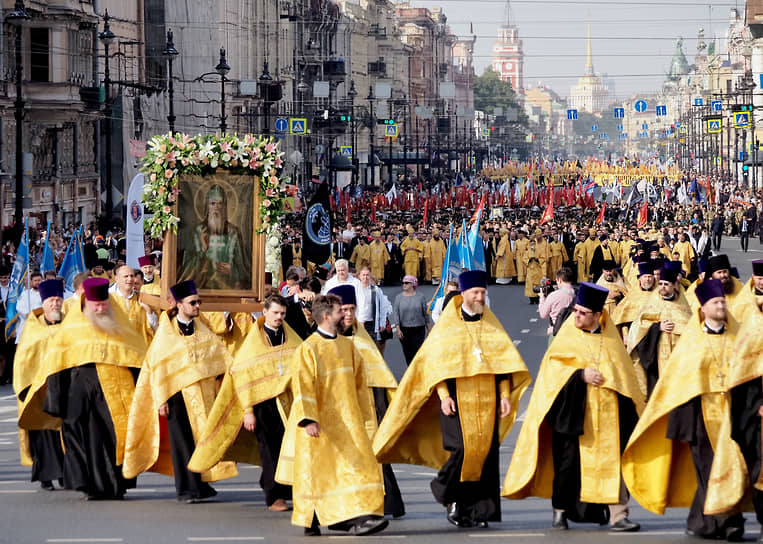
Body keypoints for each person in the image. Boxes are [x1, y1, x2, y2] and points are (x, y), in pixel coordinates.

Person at [374, 270, 530, 529]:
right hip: (456, 400)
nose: (480, 297)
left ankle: (479, 512)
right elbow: (436, 366)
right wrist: (444, 397)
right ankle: (447, 492)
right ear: (464, 295)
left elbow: (503, 367)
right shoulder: (448, 326)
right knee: (461, 450)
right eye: (475, 293)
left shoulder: (491, 324)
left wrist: (504, 396)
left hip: (488, 400)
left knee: (485, 456)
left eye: (483, 293)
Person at [503, 282, 643, 532]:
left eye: (582, 312)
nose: (576, 315)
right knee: (567, 467)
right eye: (576, 310)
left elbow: (625, 377)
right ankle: (560, 511)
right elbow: (551, 374)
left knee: (612, 465)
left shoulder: (611, 341)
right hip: (571, 415)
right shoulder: (566, 337)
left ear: (597, 316)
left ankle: (618, 515)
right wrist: (580, 376)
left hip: (608, 419)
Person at [622, 279, 747, 540]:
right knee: (708, 471)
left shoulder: (738, 337)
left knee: (732, 468)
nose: (722, 306)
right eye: (716, 303)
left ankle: (718, 522)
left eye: (723, 302)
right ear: (703, 309)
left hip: (734, 418)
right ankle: (720, 522)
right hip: (701, 419)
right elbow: (678, 381)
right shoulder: (693, 341)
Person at [274, 294, 388, 536]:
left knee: (356, 467)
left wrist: (364, 416)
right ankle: (313, 520)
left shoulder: (349, 346)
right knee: (319, 471)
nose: (344, 315)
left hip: (348, 421)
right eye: (339, 311)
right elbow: (302, 385)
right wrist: (309, 419)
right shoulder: (308, 348)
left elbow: (360, 383)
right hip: (319, 423)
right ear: (326, 316)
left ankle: (358, 516)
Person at [123, 280, 237, 502]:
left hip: (203, 395)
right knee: (183, 444)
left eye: (198, 302)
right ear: (179, 305)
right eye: (193, 302)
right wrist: (161, 399)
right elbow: (156, 368)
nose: (197, 306)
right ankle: (186, 490)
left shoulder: (202, 329)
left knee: (200, 440)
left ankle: (202, 484)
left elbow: (220, 356)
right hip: (176, 396)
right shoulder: (166, 334)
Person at [188, 294, 302, 511]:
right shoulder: (253, 342)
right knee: (267, 449)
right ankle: (273, 496)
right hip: (261, 404)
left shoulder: (292, 338)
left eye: (282, 314)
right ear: (265, 312)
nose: (279, 317)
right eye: (275, 313)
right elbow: (241, 375)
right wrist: (248, 411)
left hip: (285, 403)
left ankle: (282, 487)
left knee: (285, 446)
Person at [42, 278, 147, 500]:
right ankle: (87, 483)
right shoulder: (72, 324)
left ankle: (115, 485)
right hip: (81, 387)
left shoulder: (120, 321)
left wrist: (145, 392)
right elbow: (58, 361)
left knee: (114, 437)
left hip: (118, 387)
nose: (100, 308)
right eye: (95, 305)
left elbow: (137, 354)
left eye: (103, 304)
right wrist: (55, 399)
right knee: (79, 434)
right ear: (86, 303)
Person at [329, 284, 404, 518]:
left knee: (375, 455)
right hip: (340, 411)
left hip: (368, 410)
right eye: (344, 309)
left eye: (352, 309)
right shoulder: (327, 341)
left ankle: (385, 502)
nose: (349, 314)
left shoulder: (363, 340)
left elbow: (378, 375)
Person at [13, 279, 65, 491]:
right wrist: (25, 388)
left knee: (64, 434)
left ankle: (65, 474)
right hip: (38, 391)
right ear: (43, 303)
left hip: (63, 389)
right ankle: (45, 476)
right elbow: (23, 360)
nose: (55, 304)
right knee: (42, 434)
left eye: (58, 300)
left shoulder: (69, 325)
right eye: (51, 300)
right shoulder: (32, 329)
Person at [626, 266, 691, 398]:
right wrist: (657, 327)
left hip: (678, 357)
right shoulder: (653, 302)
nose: (662, 287)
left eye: (666, 284)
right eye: (660, 284)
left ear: (674, 286)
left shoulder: (683, 304)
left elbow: (690, 327)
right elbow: (639, 324)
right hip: (656, 357)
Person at [180, 184, 249, 289]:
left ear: (224, 206)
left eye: (220, 203)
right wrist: (203, 249)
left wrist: (232, 269)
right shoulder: (198, 231)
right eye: (212, 203)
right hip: (201, 286)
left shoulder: (233, 232)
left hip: (227, 287)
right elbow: (187, 267)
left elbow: (243, 266)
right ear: (207, 206)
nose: (216, 208)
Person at [110, 265, 157, 344]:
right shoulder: (110, 300)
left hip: (140, 348)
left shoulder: (143, 298)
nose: (130, 279)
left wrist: (149, 311)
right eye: (126, 276)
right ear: (117, 279)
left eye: (132, 276)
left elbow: (155, 327)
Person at [612, 261, 656, 345]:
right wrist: (625, 335)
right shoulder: (632, 296)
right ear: (640, 278)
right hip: (634, 336)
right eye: (645, 277)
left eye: (650, 276)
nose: (647, 279)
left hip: (654, 335)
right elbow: (624, 320)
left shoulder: (659, 295)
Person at [393, 275, 431, 364]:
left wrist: (429, 329)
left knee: (417, 353)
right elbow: (396, 314)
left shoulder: (420, 297)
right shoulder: (398, 298)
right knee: (408, 353)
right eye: (403, 283)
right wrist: (398, 329)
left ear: (413, 284)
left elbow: (425, 314)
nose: (404, 285)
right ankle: (411, 373)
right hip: (404, 329)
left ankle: (417, 373)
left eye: (406, 283)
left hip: (418, 329)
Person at [354, 267, 393, 354]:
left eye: (367, 275)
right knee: (361, 349)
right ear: (359, 276)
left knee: (372, 349)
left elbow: (382, 308)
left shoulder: (376, 290)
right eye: (363, 275)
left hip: (372, 324)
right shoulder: (355, 290)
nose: (365, 277)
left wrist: (382, 323)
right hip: (359, 324)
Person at [538, 266, 576, 344]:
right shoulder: (579, 294)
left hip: (557, 332)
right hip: (575, 334)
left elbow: (543, 314)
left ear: (559, 280)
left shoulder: (553, 296)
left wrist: (542, 298)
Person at [524, 230, 547, 304]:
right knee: (530, 285)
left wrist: (538, 260)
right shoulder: (527, 252)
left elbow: (543, 258)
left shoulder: (539, 251)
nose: (532, 243)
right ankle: (531, 299)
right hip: (530, 270)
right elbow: (524, 259)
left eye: (534, 242)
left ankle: (537, 298)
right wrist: (529, 260)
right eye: (531, 242)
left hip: (537, 269)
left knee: (537, 284)